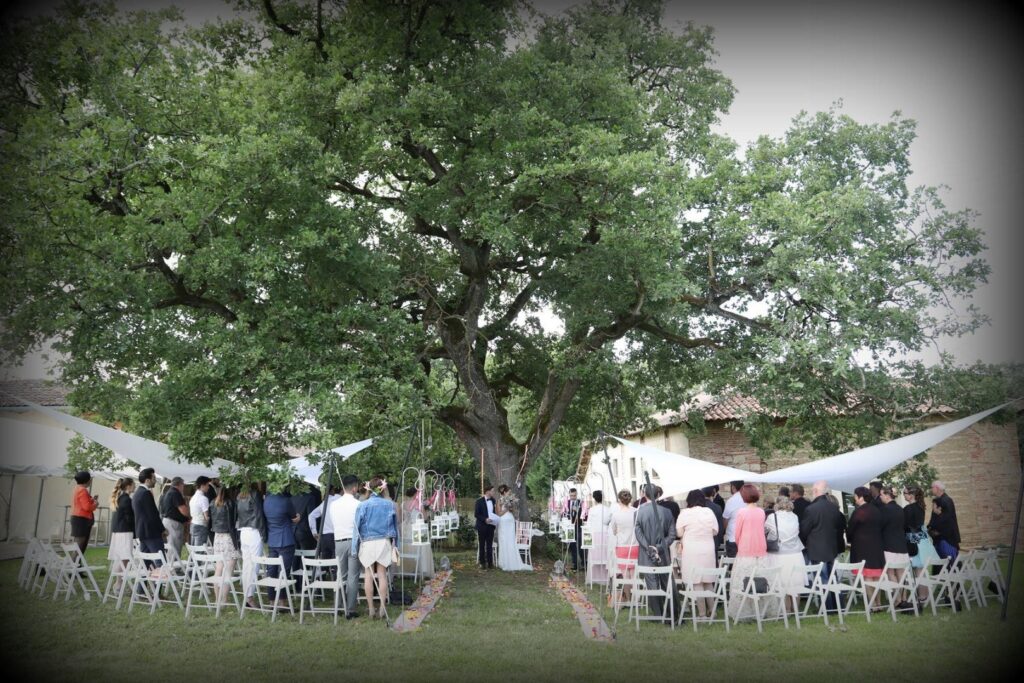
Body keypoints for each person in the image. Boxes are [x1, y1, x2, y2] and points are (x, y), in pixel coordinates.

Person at [728, 484, 780, 621]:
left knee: (743, 582)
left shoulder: (741, 512)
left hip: (746, 549)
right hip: (760, 548)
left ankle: (744, 612)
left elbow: (737, 533)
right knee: (762, 579)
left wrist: (740, 545)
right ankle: (763, 610)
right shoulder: (761, 512)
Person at [353, 476, 399, 619]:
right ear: (383, 488)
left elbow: (356, 528)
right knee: (382, 575)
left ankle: (372, 608)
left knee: (368, 575)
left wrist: (355, 548)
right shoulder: (389, 504)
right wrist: (396, 545)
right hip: (383, 541)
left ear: (368, 488)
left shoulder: (362, 505)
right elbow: (395, 528)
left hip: (367, 542)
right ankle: (383, 608)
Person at [799, 480, 845, 612]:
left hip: (817, 549)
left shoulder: (811, 509)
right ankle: (838, 606)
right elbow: (837, 528)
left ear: (815, 491)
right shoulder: (833, 508)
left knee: (822, 579)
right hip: (831, 548)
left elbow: (804, 530)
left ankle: (828, 608)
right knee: (833, 578)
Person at [634, 484, 675, 623]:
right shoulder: (667, 512)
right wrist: (658, 548)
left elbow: (638, 535)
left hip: (646, 553)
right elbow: (672, 535)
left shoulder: (638, 512)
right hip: (663, 553)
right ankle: (670, 612)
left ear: (644, 494)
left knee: (651, 583)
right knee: (666, 582)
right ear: (658, 495)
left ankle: (657, 614)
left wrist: (650, 548)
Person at [675, 490, 718, 617]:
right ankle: (713, 610)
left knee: (697, 581)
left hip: (692, 549)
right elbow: (715, 531)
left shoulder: (685, 513)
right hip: (707, 548)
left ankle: (702, 613)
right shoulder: (709, 512)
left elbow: (679, 533)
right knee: (708, 580)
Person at [329, 474, 363, 619]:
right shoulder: (358, 504)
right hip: (354, 541)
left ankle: (338, 605)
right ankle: (350, 609)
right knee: (353, 576)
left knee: (340, 575)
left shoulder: (334, 504)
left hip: (338, 541)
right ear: (354, 488)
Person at [764, 496, 805, 613]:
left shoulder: (772, 517)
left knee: (783, 582)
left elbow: (765, 530)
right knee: (795, 582)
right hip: (795, 553)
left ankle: (786, 609)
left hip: (779, 553)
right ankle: (795, 608)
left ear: (777, 504)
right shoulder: (795, 516)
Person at [263, 485, 299, 610]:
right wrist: (297, 518)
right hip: (286, 539)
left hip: (272, 540)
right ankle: (283, 602)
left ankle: (272, 601)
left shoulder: (266, 500)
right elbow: (294, 517)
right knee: (284, 572)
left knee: (271, 571)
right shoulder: (285, 501)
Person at [848, 486, 885, 608]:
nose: (854, 499)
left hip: (862, 547)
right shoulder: (877, 510)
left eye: (855, 496)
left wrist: (849, 539)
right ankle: (878, 603)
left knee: (867, 576)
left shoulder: (859, 511)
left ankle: (873, 604)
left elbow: (850, 530)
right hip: (877, 545)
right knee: (876, 576)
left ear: (861, 497)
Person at [878, 485, 912, 608]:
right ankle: (904, 598)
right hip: (901, 544)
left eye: (881, 495)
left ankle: (897, 600)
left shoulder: (884, 510)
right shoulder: (900, 509)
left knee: (891, 572)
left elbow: (880, 527)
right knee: (902, 573)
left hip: (889, 545)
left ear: (887, 495)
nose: (880, 497)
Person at [903, 485, 938, 603]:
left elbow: (905, 526)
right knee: (922, 568)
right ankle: (925, 594)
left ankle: (922, 595)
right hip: (922, 540)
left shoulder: (908, 509)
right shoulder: (920, 507)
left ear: (911, 495)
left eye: (905, 493)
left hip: (913, 541)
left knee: (918, 569)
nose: (904, 495)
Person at [235, 482, 267, 609]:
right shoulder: (255, 495)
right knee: (254, 566)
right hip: (254, 531)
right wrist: (264, 534)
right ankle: (249, 597)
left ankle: (246, 595)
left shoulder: (239, 496)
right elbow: (259, 515)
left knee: (247, 565)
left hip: (243, 531)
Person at [210, 484, 241, 605]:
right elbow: (232, 523)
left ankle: (218, 598)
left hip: (217, 536)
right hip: (229, 537)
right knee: (229, 569)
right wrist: (236, 543)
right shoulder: (231, 503)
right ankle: (224, 599)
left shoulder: (213, 502)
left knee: (219, 568)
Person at [399, 486, 434, 581]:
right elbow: (424, 518)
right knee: (419, 546)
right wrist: (427, 510)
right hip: (417, 527)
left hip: (406, 527)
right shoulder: (418, 504)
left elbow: (402, 517)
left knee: (406, 548)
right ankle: (420, 569)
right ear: (415, 494)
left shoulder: (403, 504)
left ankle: (407, 570)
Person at [610, 489, 638, 603]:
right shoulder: (636, 511)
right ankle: (636, 598)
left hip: (622, 546)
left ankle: (629, 598)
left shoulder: (616, 515)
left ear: (619, 500)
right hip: (635, 545)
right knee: (634, 574)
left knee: (625, 575)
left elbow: (614, 531)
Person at [132, 468, 164, 567]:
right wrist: (162, 529)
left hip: (142, 531)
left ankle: (141, 583)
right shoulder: (145, 493)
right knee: (160, 561)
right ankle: (161, 582)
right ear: (147, 480)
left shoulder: (137, 493)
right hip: (151, 532)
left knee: (145, 562)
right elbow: (153, 514)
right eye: (154, 478)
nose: (155, 480)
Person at [496, 484, 532, 571]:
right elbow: (499, 514)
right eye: (508, 491)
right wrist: (506, 508)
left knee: (511, 540)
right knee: (504, 540)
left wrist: (511, 508)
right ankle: (504, 562)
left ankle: (513, 561)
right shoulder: (499, 501)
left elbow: (513, 511)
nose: (510, 493)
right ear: (504, 492)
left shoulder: (510, 500)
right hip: (503, 521)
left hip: (510, 521)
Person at [107, 477, 135, 589]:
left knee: (123, 557)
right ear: (128, 486)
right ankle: (118, 583)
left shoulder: (121, 498)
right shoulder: (126, 499)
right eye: (133, 484)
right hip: (124, 531)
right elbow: (130, 517)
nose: (135, 486)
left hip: (120, 531)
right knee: (124, 557)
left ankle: (119, 582)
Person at [928, 481, 961, 564]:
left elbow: (948, 518)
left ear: (937, 488)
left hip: (947, 538)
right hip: (939, 537)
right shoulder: (938, 500)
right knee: (941, 564)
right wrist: (930, 527)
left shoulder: (946, 500)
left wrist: (938, 513)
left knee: (950, 562)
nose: (931, 489)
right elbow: (935, 519)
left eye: (932, 487)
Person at [585, 490, 611, 583]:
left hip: (595, 534)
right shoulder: (608, 509)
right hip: (605, 534)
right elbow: (609, 522)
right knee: (605, 556)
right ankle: (605, 577)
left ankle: (594, 576)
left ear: (594, 499)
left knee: (594, 557)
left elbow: (588, 524)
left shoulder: (592, 509)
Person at [70, 470, 99, 555]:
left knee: (78, 545)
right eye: (90, 479)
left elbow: (81, 503)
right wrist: (95, 504)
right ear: (87, 480)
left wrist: (92, 500)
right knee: (80, 545)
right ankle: (75, 564)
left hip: (78, 519)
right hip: (81, 520)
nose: (91, 481)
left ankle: (76, 564)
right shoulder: (83, 490)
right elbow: (87, 507)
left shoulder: (77, 488)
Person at [160, 476, 190, 557]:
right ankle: (174, 568)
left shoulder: (166, 493)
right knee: (174, 547)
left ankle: (171, 566)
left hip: (166, 521)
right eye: (183, 485)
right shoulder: (176, 493)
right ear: (179, 484)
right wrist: (188, 518)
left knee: (170, 546)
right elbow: (183, 510)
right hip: (173, 523)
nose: (183, 487)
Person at [308, 485, 338, 560]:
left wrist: (314, 532)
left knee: (325, 564)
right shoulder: (339, 500)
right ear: (333, 490)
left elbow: (311, 516)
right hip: (336, 536)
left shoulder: (324, 503)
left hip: (324, 536)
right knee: (335, 564)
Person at [474, 485, 497, 569]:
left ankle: (490, 563)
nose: (493, 492)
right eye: (492, 491)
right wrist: (485, 519)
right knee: (482, 545)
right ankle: (482, 563)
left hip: (491, 526)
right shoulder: (479, 501)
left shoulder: (493, 501)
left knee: (489, 545)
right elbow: (476, 514)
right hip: (482, 526)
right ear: (487, 491)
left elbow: (494, 512)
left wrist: (495, 520)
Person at [722, 480, 745, 558]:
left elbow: (725, 520)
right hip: (745, 538)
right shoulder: (748, 499)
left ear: (733, 487)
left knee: (733, 564)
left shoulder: (730, 501)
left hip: (733, 538)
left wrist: (724, 531)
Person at [565, 487, 586, 571]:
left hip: (578, 526)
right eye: (571, 495)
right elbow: (564, 512)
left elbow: (584, 514)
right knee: (572, 546)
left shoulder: (580, 502)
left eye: (574, 495)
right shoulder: (567, 502)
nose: (572, 497)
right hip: (569, 527)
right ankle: (575, 564)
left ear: (576, 494)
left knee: (580, 545)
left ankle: (584, 564)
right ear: (569, 495)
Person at [701, 486, 725, 559]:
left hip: (701, 543)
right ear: (712, 493)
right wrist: (717, 542)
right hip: (714, 542)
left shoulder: (699, 507)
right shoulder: (717, 507)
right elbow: (720, 528)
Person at [189, 476, 212, 546]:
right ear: (202, 486)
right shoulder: (203, 498)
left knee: (194, 549)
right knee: (200, 551)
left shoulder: (193, 498)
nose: (208, 487)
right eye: (207, 485)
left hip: (193, 524)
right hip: (201, 526)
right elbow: (206, 517)